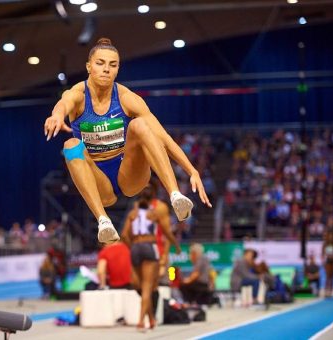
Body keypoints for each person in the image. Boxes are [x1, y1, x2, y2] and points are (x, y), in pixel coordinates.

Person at [44, 37, 212, 244]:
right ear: (88, 66)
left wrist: (191, 170)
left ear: (117, 69)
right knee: (70, 145)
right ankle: (103, 221)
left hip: (128, 173)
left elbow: (163, 138)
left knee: (140, 125)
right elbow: (64, 103)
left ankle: (175, 195)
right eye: (100, 63)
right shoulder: (78, 95)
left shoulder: (126, 98)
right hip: (98, 182)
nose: (106, 69)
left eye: (112, 65)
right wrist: (56, 116)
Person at [122, 185, 181, 331]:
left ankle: (151, 318)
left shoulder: (132, 213)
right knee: (148, 286)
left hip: (135, 247)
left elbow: (124, 235)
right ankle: (141, 321)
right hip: (149, 246)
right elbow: (167, 232)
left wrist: (132, 246)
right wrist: (177, 246)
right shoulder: (153, 214)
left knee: (140, 286)